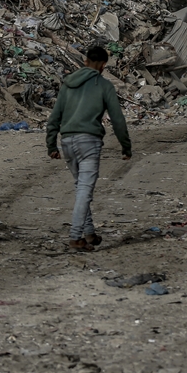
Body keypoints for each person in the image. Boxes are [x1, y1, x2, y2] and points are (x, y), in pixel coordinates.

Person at [45, 46, 133, 252]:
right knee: (84, 190)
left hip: (67, 142)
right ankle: (76, 237)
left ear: (85, 62)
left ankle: (89, 233)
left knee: (81, 187)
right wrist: (126, 147)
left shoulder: (67, 84)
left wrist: (51, 144)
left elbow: (54, 117)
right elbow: (118, 119)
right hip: (88, 142)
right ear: (103, 66)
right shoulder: (104, 85)